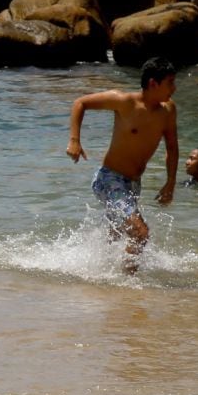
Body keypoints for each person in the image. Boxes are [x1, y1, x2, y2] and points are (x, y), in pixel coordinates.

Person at [66, 57, 180, 264]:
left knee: (116, 236)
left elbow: (172, 148)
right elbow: (80, 103)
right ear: (153, 83)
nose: (174, 88)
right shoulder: (124, 101)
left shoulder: (168, 111)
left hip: (133, 184)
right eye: (170, 82)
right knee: (141, 232)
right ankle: (128, 283)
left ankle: (101, 280)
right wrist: (75, 141)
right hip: (109, 179)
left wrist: (170, 182)